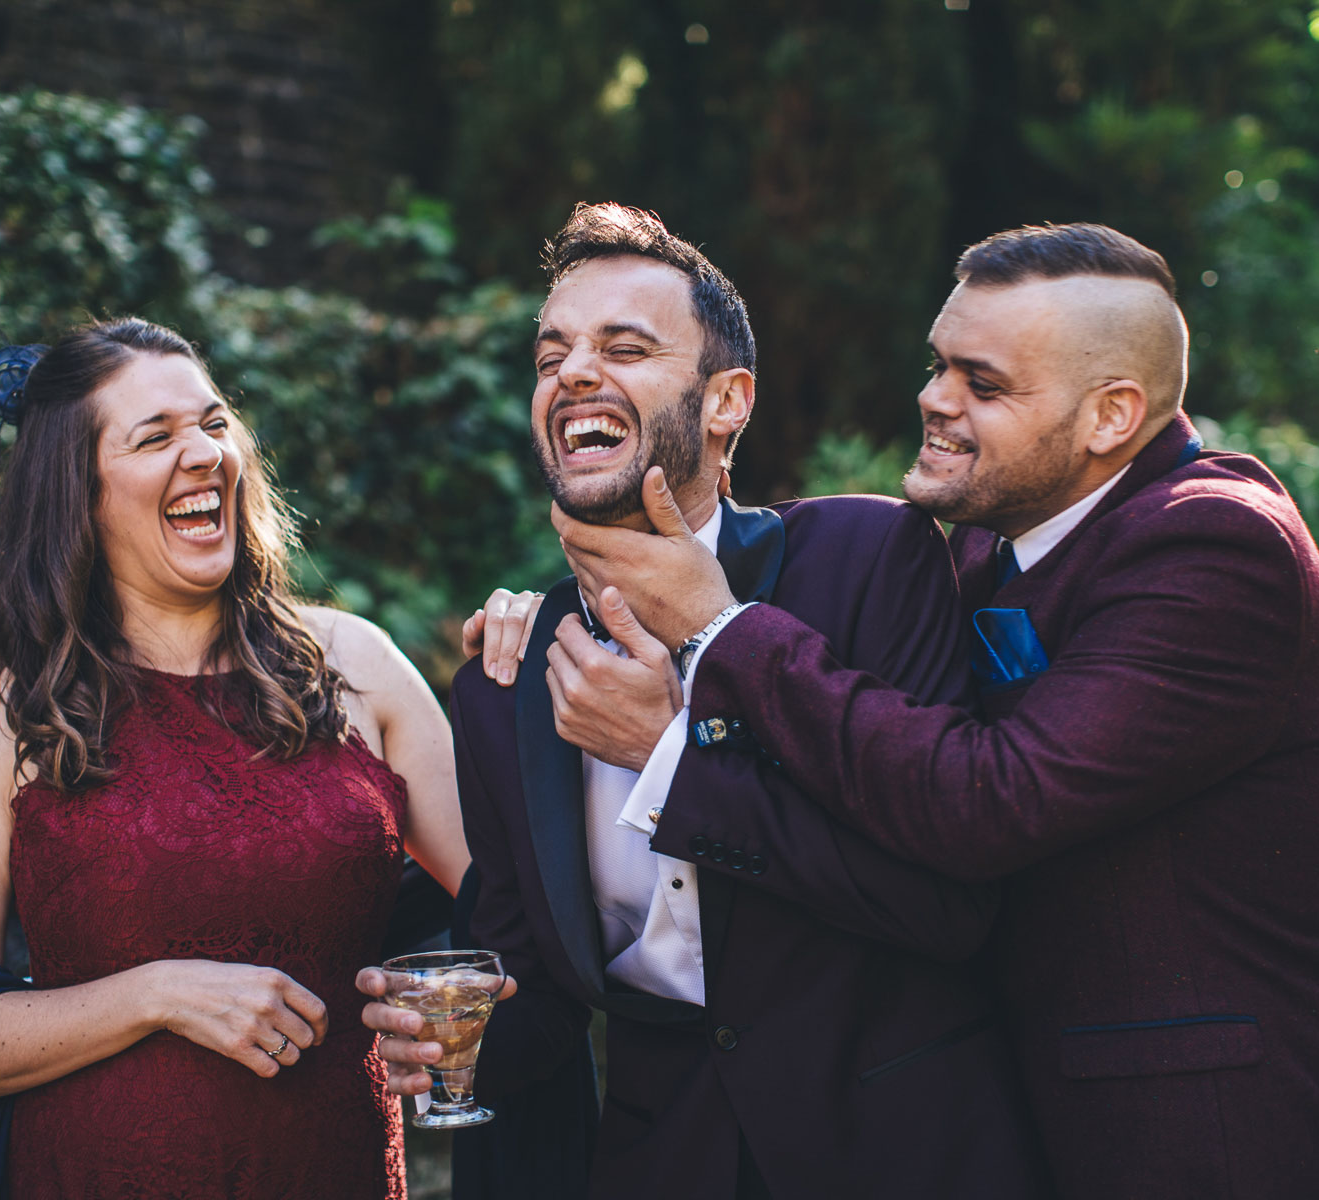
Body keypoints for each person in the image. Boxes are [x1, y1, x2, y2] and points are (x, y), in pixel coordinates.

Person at [512, 223, 1319, 1199]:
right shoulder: (991, 550)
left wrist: (720, 632)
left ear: (1110, 417)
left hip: (1230, 1137)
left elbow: (989, 799)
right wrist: (529, 617)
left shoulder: (1216, 547)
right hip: (1039, 1123)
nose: (933, 400)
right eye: (937, 365)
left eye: (982, 384)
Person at [359, 204, 1044, 1199]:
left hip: (904, 1156)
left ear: (727, 401)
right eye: (552, 355)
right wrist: (450, 1037)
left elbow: (947, 905)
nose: (573, 374)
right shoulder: (502, 677)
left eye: (623, 348)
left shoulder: (869, 561)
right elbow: (541, 1001)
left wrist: (672, 756)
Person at [0, 318, 471, 1199]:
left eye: (212, 423)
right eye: (154, 437)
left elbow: (519, 908)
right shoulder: (0, 714)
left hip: (332, 1170)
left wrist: (538, 657)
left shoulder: (361, 666)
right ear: (79, 493)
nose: (202, 453)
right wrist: (153, 995)